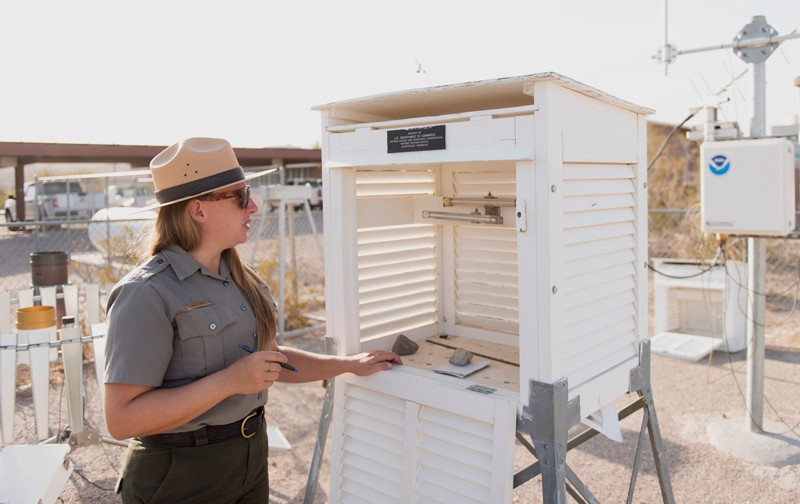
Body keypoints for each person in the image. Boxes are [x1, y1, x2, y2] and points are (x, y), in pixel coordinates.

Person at [103, 137, 402, 503]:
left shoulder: (241, 278)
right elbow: (121, 420)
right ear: (199, 210)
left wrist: (348, 365)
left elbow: (270, 360)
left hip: (248, 457)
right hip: (179, 473)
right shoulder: (146, 293)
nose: (254, 206)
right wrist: (230, 381)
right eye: (242, 196)